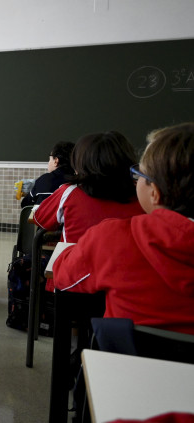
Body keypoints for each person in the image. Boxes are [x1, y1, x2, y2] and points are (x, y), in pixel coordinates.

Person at [53, 122, 194, 334]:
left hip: (124, 361)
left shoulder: (114, 237)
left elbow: (63, 276)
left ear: (154, 192)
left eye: (140, 175)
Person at [34, 131, 144, 243]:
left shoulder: (69, 192)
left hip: (77, 258)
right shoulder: (143, 194)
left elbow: (40, 218)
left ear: (80, 163)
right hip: (127, 259)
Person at [20, 141, 75, 207]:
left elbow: (25, 205)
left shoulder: (44, 180)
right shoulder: (79, 183)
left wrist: (32, 191)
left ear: (56, 161)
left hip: (43, 217)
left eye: (50, 159)